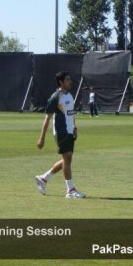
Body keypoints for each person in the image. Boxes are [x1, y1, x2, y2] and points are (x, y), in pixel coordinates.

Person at [35, 71, 86, 199]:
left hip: (70, 131)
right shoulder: (55, 97)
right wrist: (42, 138)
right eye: (68, 80)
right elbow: (47, 118)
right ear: (61, 82)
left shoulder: (69, 95)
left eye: (70, 79)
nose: (70, 82)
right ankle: (70, 190)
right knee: (67, 158)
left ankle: (44, 178)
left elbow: (71, 113)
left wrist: (74, 127)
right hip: (61, 131)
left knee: (66, 160)